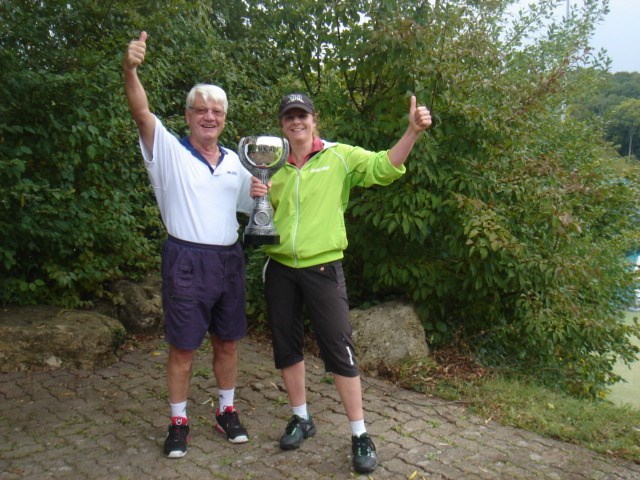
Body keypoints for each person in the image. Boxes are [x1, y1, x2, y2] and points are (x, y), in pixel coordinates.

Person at [250, 92, 432, 473]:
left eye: (302, 115)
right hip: (279, 267)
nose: (296, 122)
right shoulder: (273, 164)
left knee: (339, 349)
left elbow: (384, 166)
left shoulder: (339, 156)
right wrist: (258, 196)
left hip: (322, 268)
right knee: (287, 346)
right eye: (289, 117)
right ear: (282, 124)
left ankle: (360, 433)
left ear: (314, 119)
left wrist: (412, 132)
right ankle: (301, 417)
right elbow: (268, 214)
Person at [123, 31, 254, 458]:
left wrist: (262, 193)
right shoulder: (169, 152)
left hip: (229, 260)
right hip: (185, 260)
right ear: (187, 115)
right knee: (183, 347)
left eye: (217, 111)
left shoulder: (237, 162)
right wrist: (130, 69)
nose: (209, 117)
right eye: (201, 110)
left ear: (225, 118)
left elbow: (252, 208)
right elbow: (141, 113)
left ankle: (226, 410)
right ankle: (178, 421)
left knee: (228, 342)